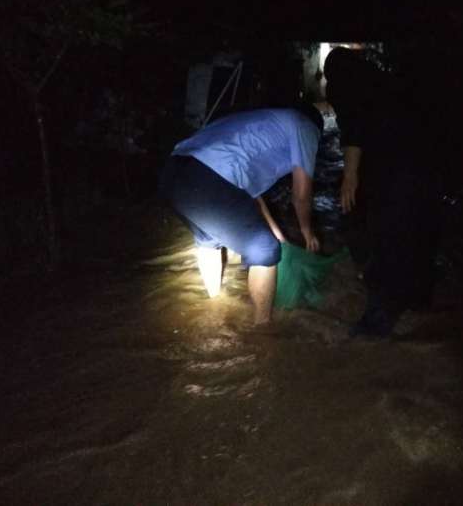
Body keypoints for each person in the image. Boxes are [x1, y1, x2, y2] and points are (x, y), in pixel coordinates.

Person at [158, 104, 324, 325]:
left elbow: (251, 198)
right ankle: (262, 331)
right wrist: (307, 231)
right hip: (207, 179)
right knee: (264, 248)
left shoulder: (260, 127)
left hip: (172, 175)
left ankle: (213, 308)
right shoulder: (304, 125)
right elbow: (302, 194)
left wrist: (279, 236)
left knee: (210, 239)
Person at [323, 46, 441, 337]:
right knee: (418, 235)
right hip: (426, 167)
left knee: (383, 238)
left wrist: (349, 177)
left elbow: (354, 129)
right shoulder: (383, 82)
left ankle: (378, 322)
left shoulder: (348, 85)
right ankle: (419, 302)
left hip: (396, 173)